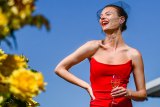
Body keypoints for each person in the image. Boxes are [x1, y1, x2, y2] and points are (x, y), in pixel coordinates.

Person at [54, 1, 147, 107]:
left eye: (108, 14)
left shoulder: (134, 54)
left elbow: (142, 94)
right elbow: (60, 69)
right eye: (101, 16)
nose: (102, 18)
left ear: (121, 19)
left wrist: (128, 93)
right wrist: (86, 86)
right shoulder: (93, 47)